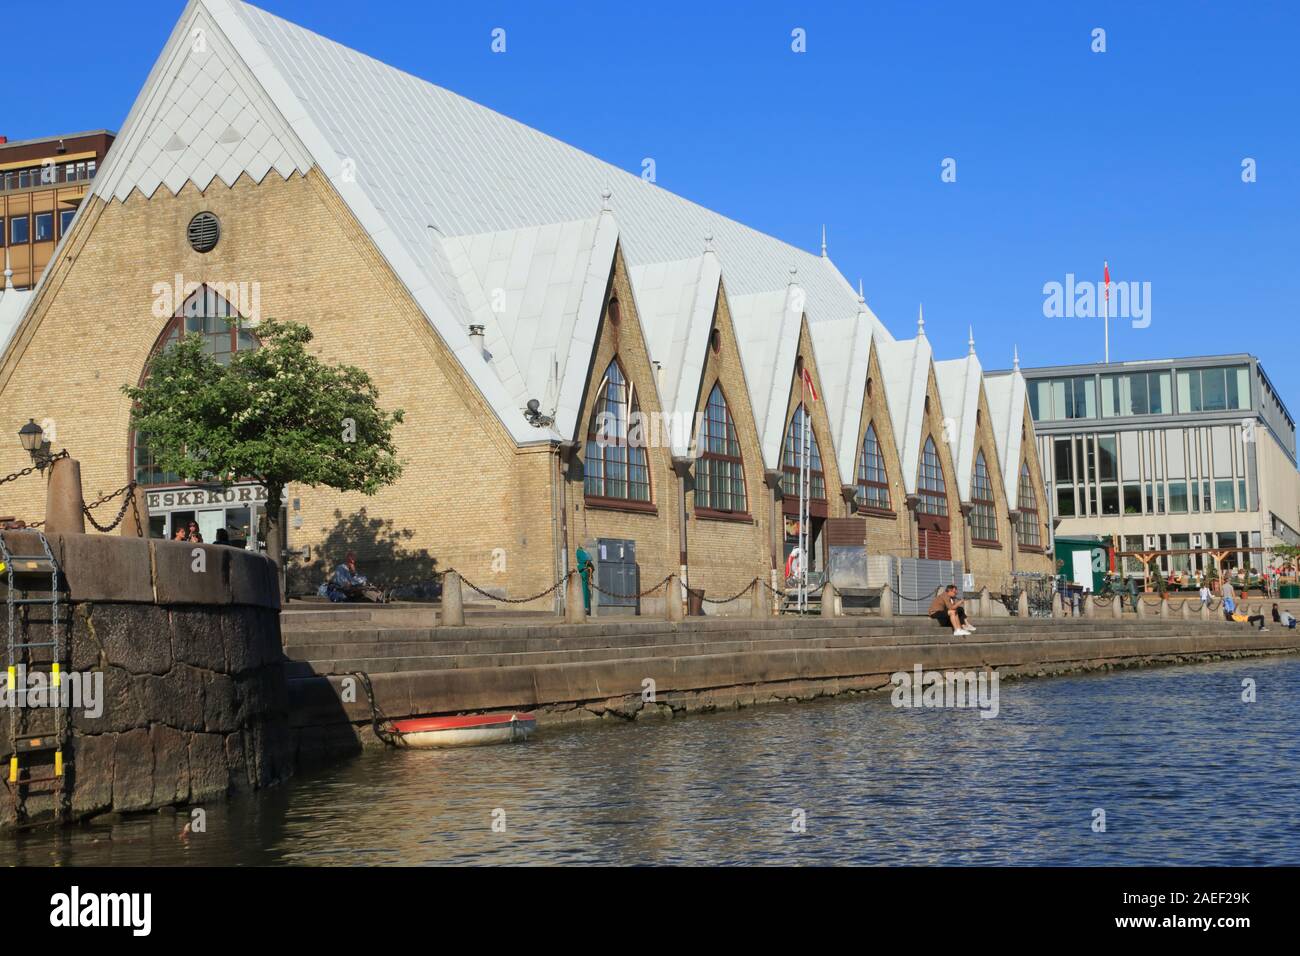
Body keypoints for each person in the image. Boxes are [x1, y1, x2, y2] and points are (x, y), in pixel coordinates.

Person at [575, 546, 594, 613]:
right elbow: (589, 559)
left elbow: (588, 559)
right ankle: (585, 607)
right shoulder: (581, 553)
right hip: (584, 572)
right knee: (584, 590)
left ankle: (586, 607)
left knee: (585, 590)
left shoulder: (579, 553)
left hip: (584, 572)